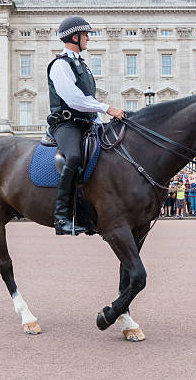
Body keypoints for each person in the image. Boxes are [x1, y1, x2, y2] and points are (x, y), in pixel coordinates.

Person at [47, 15, 125, 235]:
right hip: (67, 124)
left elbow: (88, 98)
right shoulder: (60, 64)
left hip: (87, 123)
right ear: (75, 36)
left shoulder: (81, 65)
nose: (89, 38)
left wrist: (103, 121)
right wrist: (107, 108)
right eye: (86, 34)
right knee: (72, 157)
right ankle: (61, 217)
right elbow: (74, 99)